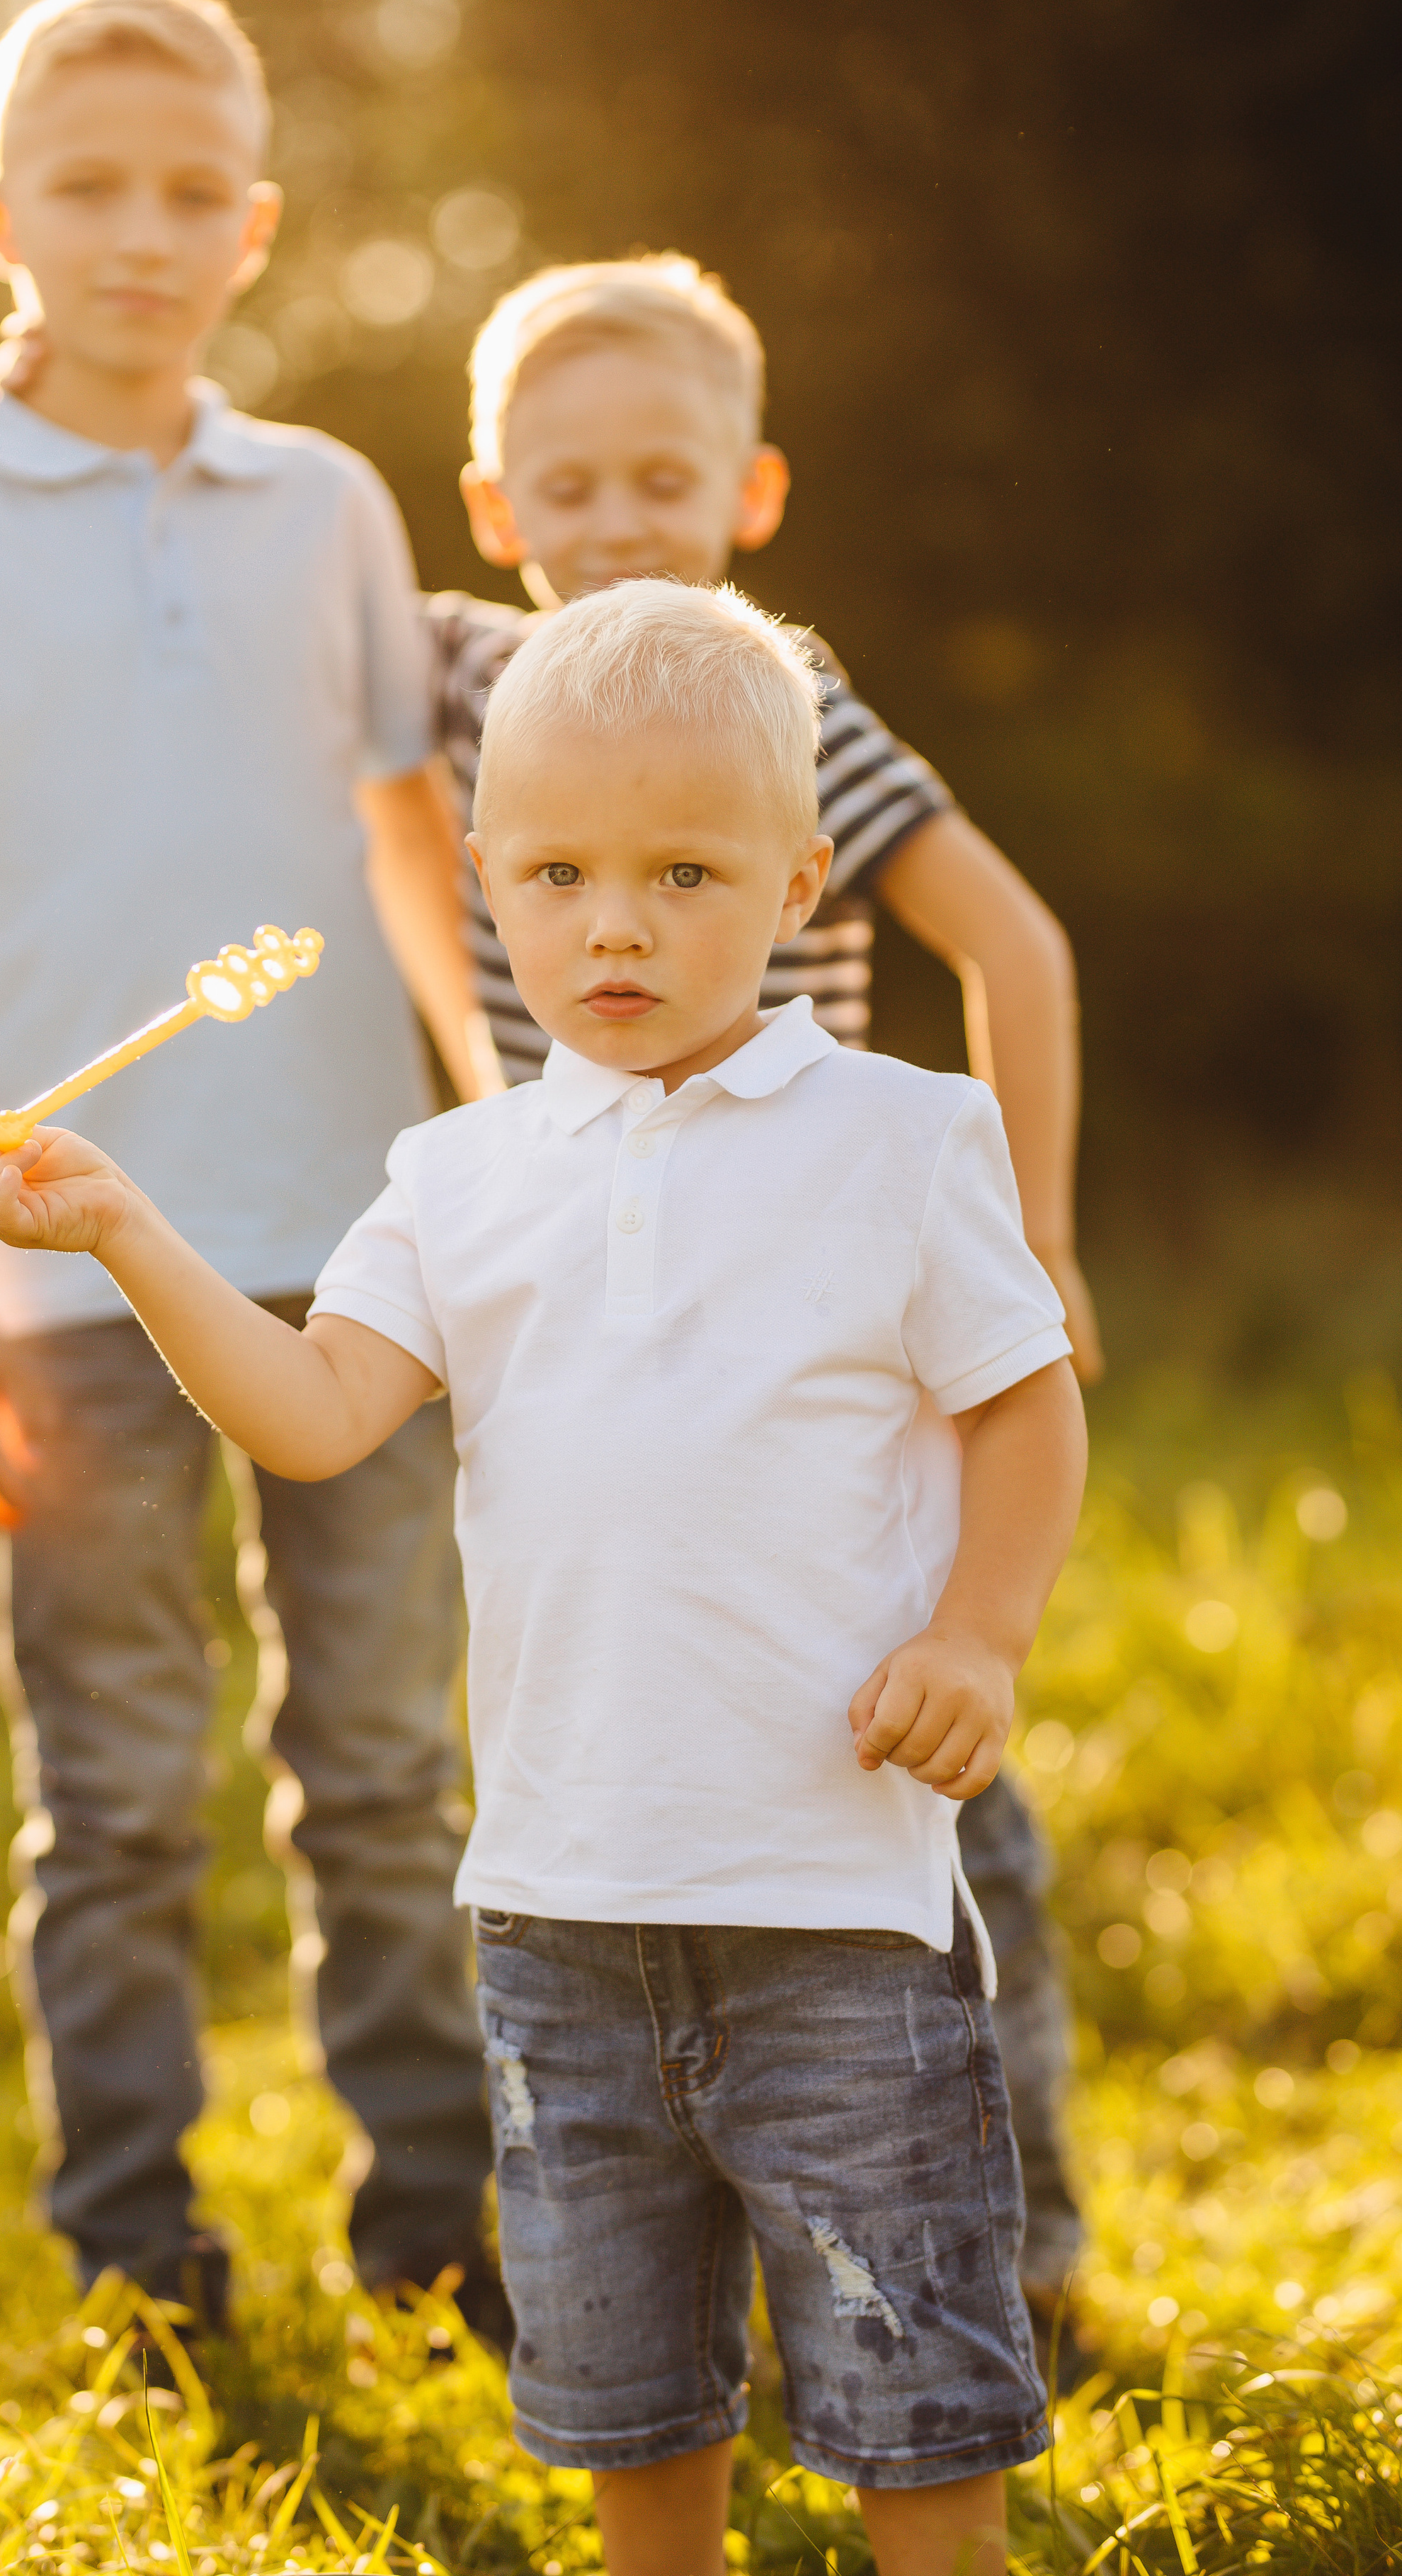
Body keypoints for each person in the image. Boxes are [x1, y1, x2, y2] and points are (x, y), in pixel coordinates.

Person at [0, 578, 1088, 2576]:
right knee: (628, 2409)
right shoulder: (457, 1179)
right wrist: (129, 1230)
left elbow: (1025, 1398)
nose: (615, 927)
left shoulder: (902, 1137)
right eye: (559, 876)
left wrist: (980, 1634)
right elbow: (313, 1412)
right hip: (562, 1921)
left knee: (918, 2415)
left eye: (682, 875)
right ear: (484, 882)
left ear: (799, 881)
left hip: (836, 1913)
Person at [0, 0, 505, 2337]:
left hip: (360, 1239)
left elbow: (410, 837)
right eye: (87, 189)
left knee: (382, 1763)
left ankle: (440, 2227)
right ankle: (132, 2257)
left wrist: (510, 1147)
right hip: (63, 1269)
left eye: (195, 194)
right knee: (111, 1791)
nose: (142, 235)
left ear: (256, 228)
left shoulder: (330, 506)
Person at [426, 254, 1094, 2338]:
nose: (618, 521)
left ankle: (1022, 2244)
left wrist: (1038, 1235)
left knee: (922, 1763)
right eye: (569, 486)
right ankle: (656, 2257)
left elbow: (1016, 945)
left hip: (816, 1306)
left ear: (754, 490)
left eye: (665, 478)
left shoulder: (795, 713)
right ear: (492, 507)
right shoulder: (463, 692)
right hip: (598, 1332)